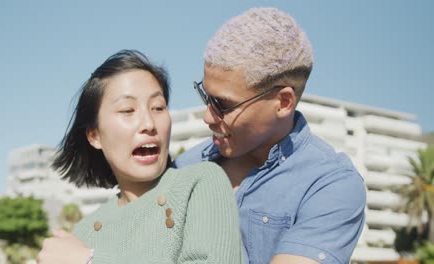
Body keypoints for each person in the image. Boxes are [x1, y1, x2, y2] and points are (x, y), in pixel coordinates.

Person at [173, 7, 366, 264]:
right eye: (206, 96)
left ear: (283, 102)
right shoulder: (183, 169)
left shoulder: (330, 185)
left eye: (223, 104)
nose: (208, 116)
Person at [37, 50, 243, 263]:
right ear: (94, 135)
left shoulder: (199, 183)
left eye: (158, 107)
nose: (149, 124)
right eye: (127, 110)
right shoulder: (84, 233)